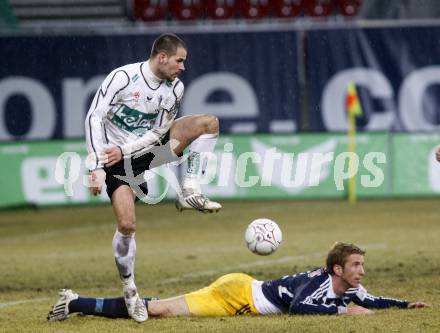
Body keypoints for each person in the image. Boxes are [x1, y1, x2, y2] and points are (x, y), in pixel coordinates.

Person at [84, 33, 221, 322]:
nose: (183, 67)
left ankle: (190, 189)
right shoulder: (122, 77)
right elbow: (94, 117)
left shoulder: (175, 89)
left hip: (146, 150)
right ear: (162, 57)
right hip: (116, 162)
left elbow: (159, 132)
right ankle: (129, 288)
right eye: (179, 60)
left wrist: (127, 149)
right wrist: (96, 165)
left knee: (209, 124)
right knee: (127, 224)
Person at [47, 242, 428, 321]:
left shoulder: (348, 288)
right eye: (356, 265)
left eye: (362, 264)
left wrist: (403, 306)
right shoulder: (318, 285)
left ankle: (77, 302)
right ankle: (77, 302)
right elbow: (298, 308)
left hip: (242, 290)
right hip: (235, 295)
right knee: (159, 311)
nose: (361, 271)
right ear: (337, 269)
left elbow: (371, 299)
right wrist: (343, 312)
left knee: (158, 309)